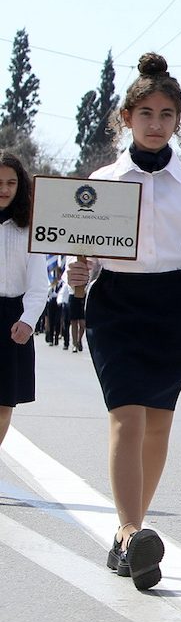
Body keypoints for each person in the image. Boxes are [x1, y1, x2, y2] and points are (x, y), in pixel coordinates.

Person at [67, 53, 181, 592]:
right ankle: (128, 529)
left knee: (159, 422)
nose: (156, 123)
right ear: (127, 118)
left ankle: (128, 538)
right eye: (146, 112)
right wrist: (77, 270)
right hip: (116, 303)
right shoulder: (103, 181)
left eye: (166, 114)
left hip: (171, 303)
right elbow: (82, 252)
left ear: (177, 121)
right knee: (126, 416)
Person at [0, 155, 49, 449]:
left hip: (12, 319)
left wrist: (28, 320)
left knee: (4, 404)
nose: (4, 189)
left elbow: (38, 284)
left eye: (11, 183)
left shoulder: (30, 229)